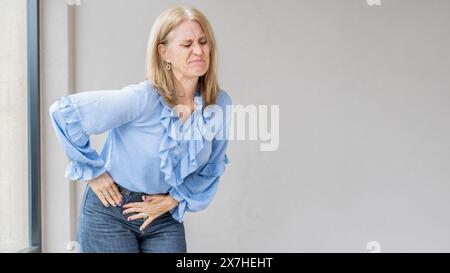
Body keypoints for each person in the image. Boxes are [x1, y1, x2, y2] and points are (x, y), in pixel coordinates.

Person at [48, 5, 232, 253]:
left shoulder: (219, 103)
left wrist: (174, 199)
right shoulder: (143, 97)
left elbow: (213, 164)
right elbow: (63, 112)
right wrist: (93, 172)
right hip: (109, 214)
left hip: (163, 215)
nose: (198, 50)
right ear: (164, 52)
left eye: (203, 42)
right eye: (187, 44)